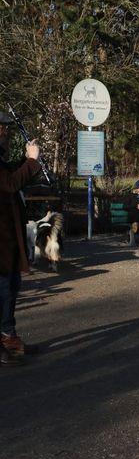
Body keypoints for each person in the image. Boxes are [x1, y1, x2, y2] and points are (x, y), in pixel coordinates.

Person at [0, 111, 42, 366]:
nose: (6, 133)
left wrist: (28, 161)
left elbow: (9, 177)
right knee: (3, 290)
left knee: (10, 288)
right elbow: (9, 184)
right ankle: (4, 340)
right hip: (1, 239)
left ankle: (9, 336)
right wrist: (31, 162)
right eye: (3, 129)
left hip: (7, 236)